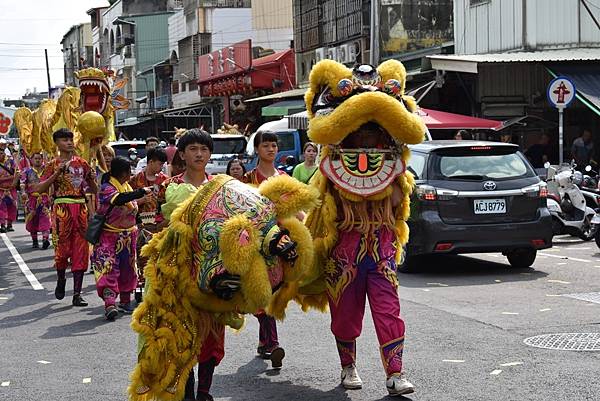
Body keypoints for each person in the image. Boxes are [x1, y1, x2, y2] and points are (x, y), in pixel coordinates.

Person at [299, 60, 424, 396]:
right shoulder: (328, 173)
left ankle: (396, 373)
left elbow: (399, 199)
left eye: (374, 134)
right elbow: (322, 209)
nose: (367, 142)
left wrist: (389, 183)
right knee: (345, 316)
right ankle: (347, 366)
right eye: (360, 135)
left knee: (389, 312)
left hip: (381, 249)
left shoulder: (398, 173)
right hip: (344, 251)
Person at [37, 128, 98, 307]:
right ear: (57, 143)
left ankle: (77, 294)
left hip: (80, 209)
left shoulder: (83, 163)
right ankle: (61, 278)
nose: (69, 142)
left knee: (81, 250)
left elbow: (94, 190)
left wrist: (92, 180)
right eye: (64, 140)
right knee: (62, 250)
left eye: (71, 139)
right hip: (61, 209)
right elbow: (39, 189)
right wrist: (57, 173)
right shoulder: (52, 164)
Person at [242, 131, 286, 368]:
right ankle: (273, 344)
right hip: (256, 243)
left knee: (275, 291)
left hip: (279, 242)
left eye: (274, 145)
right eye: (266, 145)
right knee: (263, 291)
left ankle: (264, 341)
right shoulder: (248, 179)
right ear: (257, 149)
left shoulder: (283, 178)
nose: (271, 149)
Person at [92, 157, 151, 320]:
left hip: (129, 236)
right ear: (122, 173)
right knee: (108, 268)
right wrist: (141, 192)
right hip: (109, 236)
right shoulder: (107, 188)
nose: (130, 174)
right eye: (128, 171)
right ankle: (110, 303)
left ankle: (125, 302)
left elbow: (131, 206)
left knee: (128, 269)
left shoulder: (126, 186)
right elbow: (118, 199)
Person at [129, 147, 169, 301]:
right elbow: (127, 201)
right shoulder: (135, 180)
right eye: (159, 164)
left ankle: (159, 286)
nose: (161, 167)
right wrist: (140, 201)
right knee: (142, 255)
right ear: (151, 161)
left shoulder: (164, 180)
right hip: (141, 223)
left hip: (160, 223)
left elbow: (168, 202)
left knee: (160, 254)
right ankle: (142, 284)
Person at [20, 152, 51, 249]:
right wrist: (23, 192)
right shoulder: (27, 171)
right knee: (32, 220)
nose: (37, 160)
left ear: (42, 159)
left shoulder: (47, 170)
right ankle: (34, 241)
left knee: (45, 219)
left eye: (39, 158)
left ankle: (45, 239)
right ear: (31, 160)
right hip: (32, 199)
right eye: (35, 158)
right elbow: (22, 183)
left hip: (45, 199)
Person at [0, 139, 19, 233]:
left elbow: (17, 173)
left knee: (12, 207)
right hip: (1, 189)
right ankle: (2, 225)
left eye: (2, 152)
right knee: (1, 207)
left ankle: (10, 224)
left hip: (12, 188)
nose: (1, 154)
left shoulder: (11, 161)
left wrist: (14, 182)